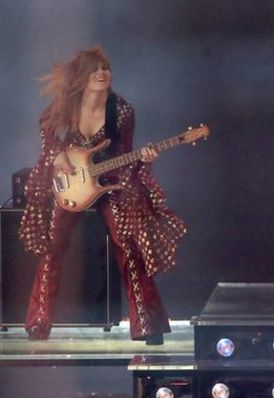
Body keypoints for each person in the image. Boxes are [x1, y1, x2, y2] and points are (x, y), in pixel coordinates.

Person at [19, 46, 186, 344]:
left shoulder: (121, 111)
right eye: (95, 69)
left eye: (105, 68)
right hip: (70, 183)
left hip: (109, 181)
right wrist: (56, 154)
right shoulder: (66, 104)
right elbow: (46, 127)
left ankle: (149, 325)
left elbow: (125, 154)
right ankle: (38, 323)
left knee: (128, 244)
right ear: (82, 76)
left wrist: (143, 159)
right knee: (52, 247)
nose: (101, 73)